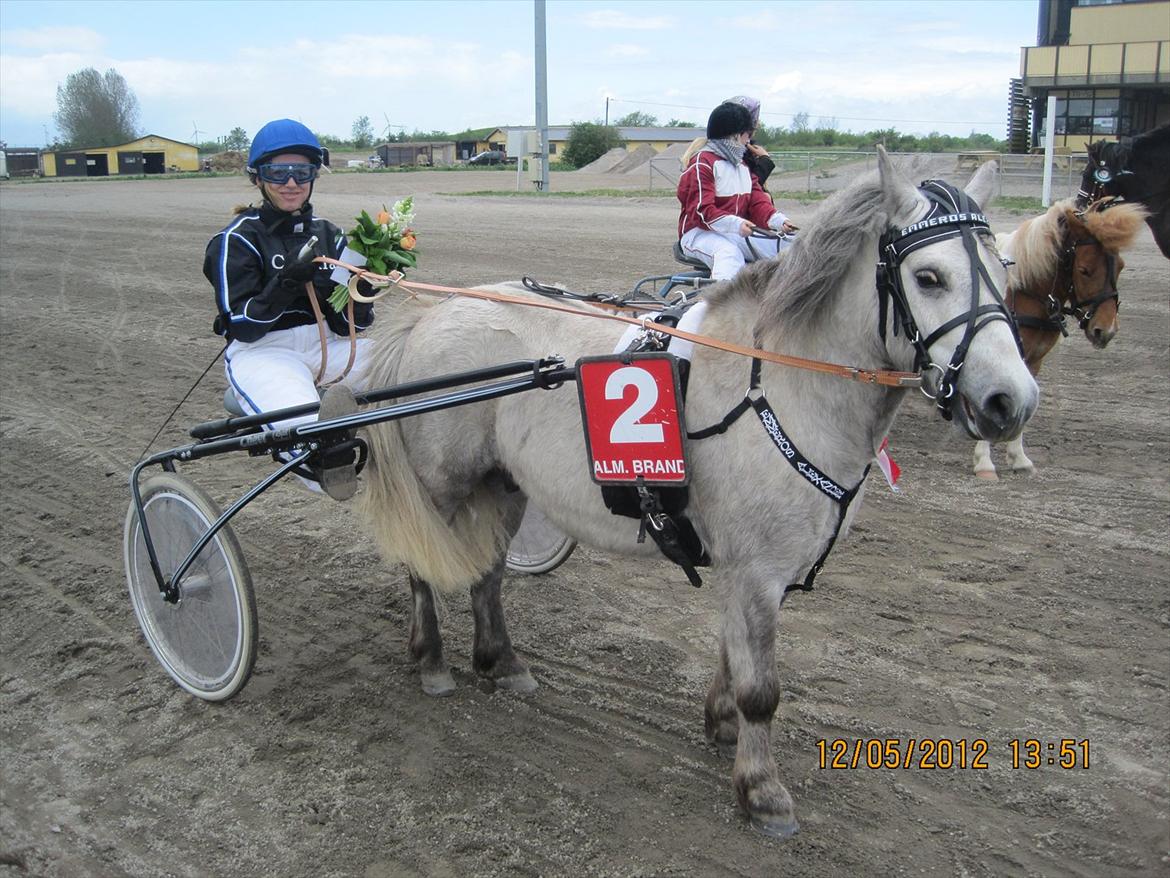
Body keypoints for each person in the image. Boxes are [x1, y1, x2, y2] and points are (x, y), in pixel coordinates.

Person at [203, 118, 374, 499]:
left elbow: (352, 326)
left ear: (314, 175)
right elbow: (244, 326)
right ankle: (328, 457)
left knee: (408, 365)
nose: (292, 183)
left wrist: (361, 290)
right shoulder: (235, 240)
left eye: (302, 172)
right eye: (278, 172)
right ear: (258, 178)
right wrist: (287, 284)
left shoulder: (331, 233)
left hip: (330, 344)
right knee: (309, 428)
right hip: (265, 351)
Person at [677, 102, 797, 281]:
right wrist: (736, 224)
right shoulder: (702, 163)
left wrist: (779, 221)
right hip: (698, 233)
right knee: (729, 254)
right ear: (734, 136)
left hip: (733, 232)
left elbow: (757, 201)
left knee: (790, 246)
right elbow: (701, 212)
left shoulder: (742, 166)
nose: (748, 141)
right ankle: (717, 305)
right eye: (747, 135)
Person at [679, 95, 776, 187]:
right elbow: (745, 189)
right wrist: (765, 161)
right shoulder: (730, 153)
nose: (757, 125)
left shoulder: (739, 149)